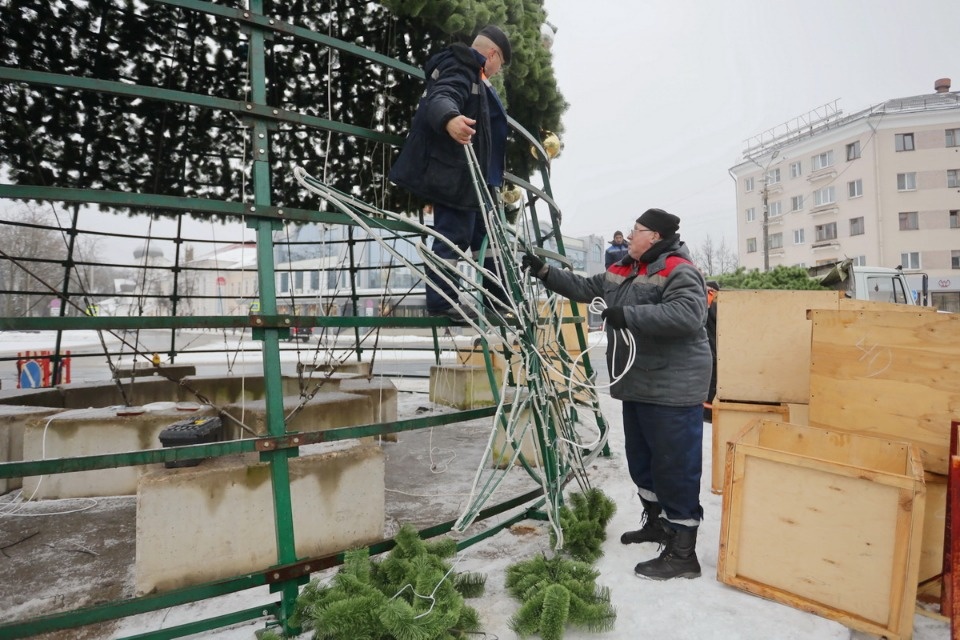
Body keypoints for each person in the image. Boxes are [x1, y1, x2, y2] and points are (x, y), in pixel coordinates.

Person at [521, 208, 711, 580]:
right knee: (643, 461)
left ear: (653, 236)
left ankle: (683, 554)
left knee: (675, 466)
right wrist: (545, 273)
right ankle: (658, 525)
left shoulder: (678, 268)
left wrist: (629, 315)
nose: (629, 234)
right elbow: (584, 288)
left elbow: (689, 315)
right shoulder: (624, 268)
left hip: (672, 387)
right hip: (639, 383)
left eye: (636, 230)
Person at [389, 25, 512, 325]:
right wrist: (451, 118)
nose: (495, 72)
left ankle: (498, 300)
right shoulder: (462, 66)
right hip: (457, 175)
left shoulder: (477, 78)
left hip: (476, 180)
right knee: (453, 237)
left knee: (489, 239)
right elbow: (441, 97)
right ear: (493, 55)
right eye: (499, 66)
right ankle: (443, 302)